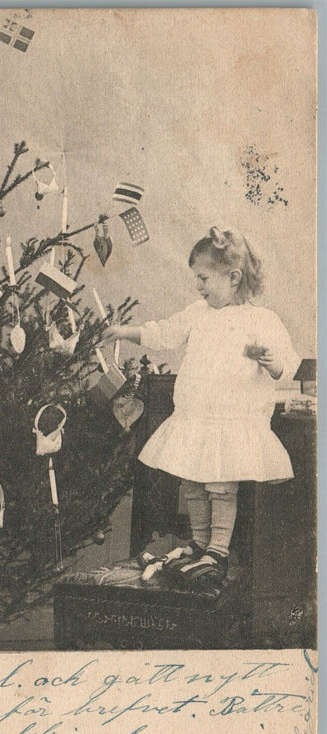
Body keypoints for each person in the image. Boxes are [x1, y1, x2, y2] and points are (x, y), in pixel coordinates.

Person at [103, 226, 301, 589]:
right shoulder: (198, 312)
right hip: (194, 419)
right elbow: (164, 333)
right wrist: (127, 332)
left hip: (231, 421)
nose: (198, 285)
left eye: (203, 278)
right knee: (192, 482)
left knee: (221, 485)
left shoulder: (261, 320)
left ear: (233, 277)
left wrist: (273, 363)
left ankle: (219, 549)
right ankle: (198, 541)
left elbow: (286, 366)